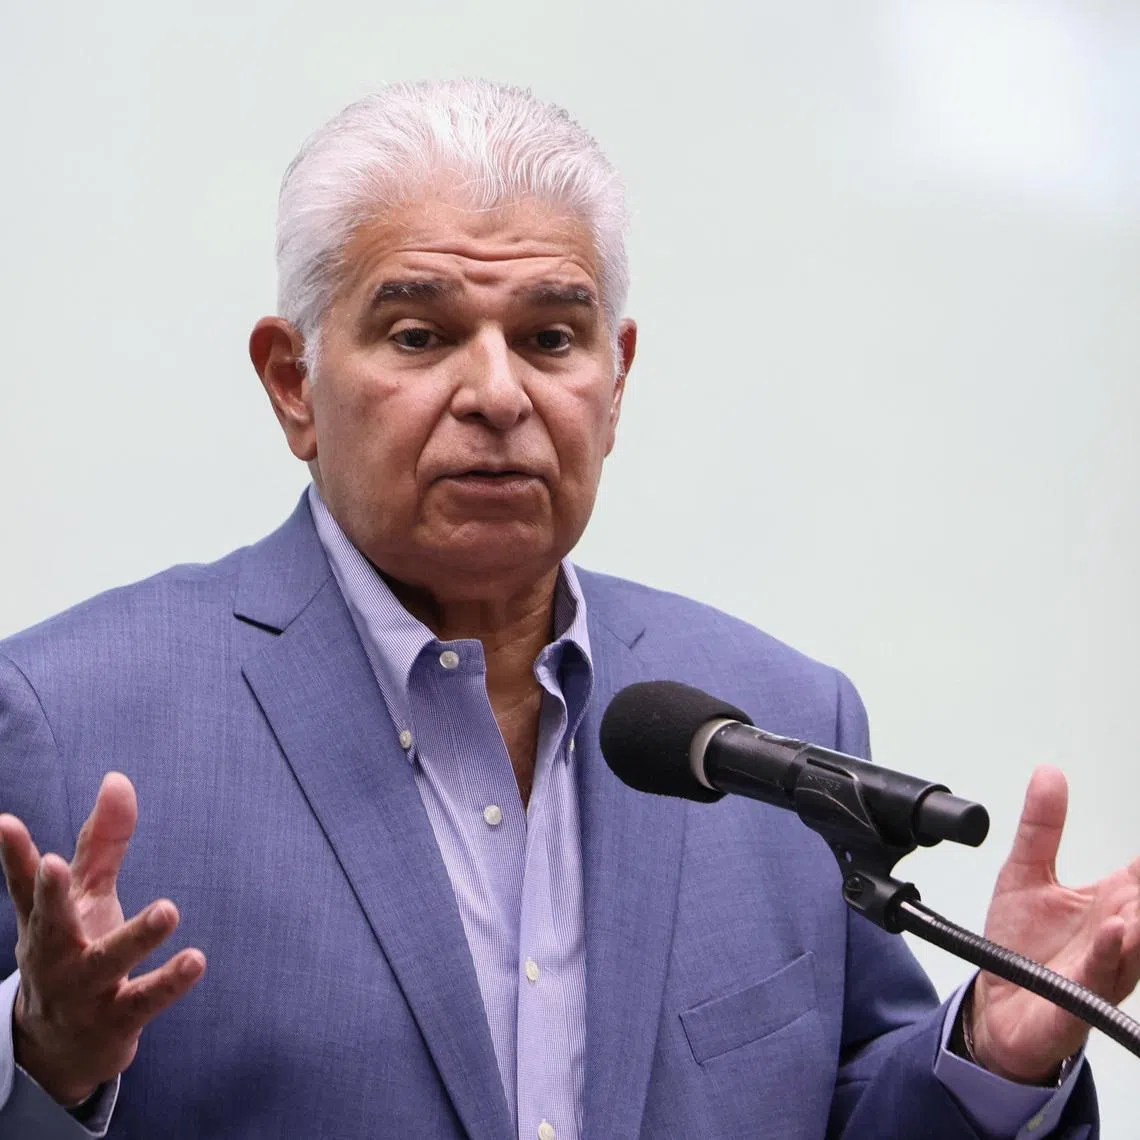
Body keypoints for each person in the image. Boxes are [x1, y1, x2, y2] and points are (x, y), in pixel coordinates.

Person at [0, 79, 1136, 1140]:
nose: (499, 395)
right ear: (293, 381)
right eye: (419, 334)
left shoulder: (780, 723)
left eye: (551, 338)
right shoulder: (69, 720)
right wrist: (44, 1064)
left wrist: (995, 1049)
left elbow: (850, 1107)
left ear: (617, 376)